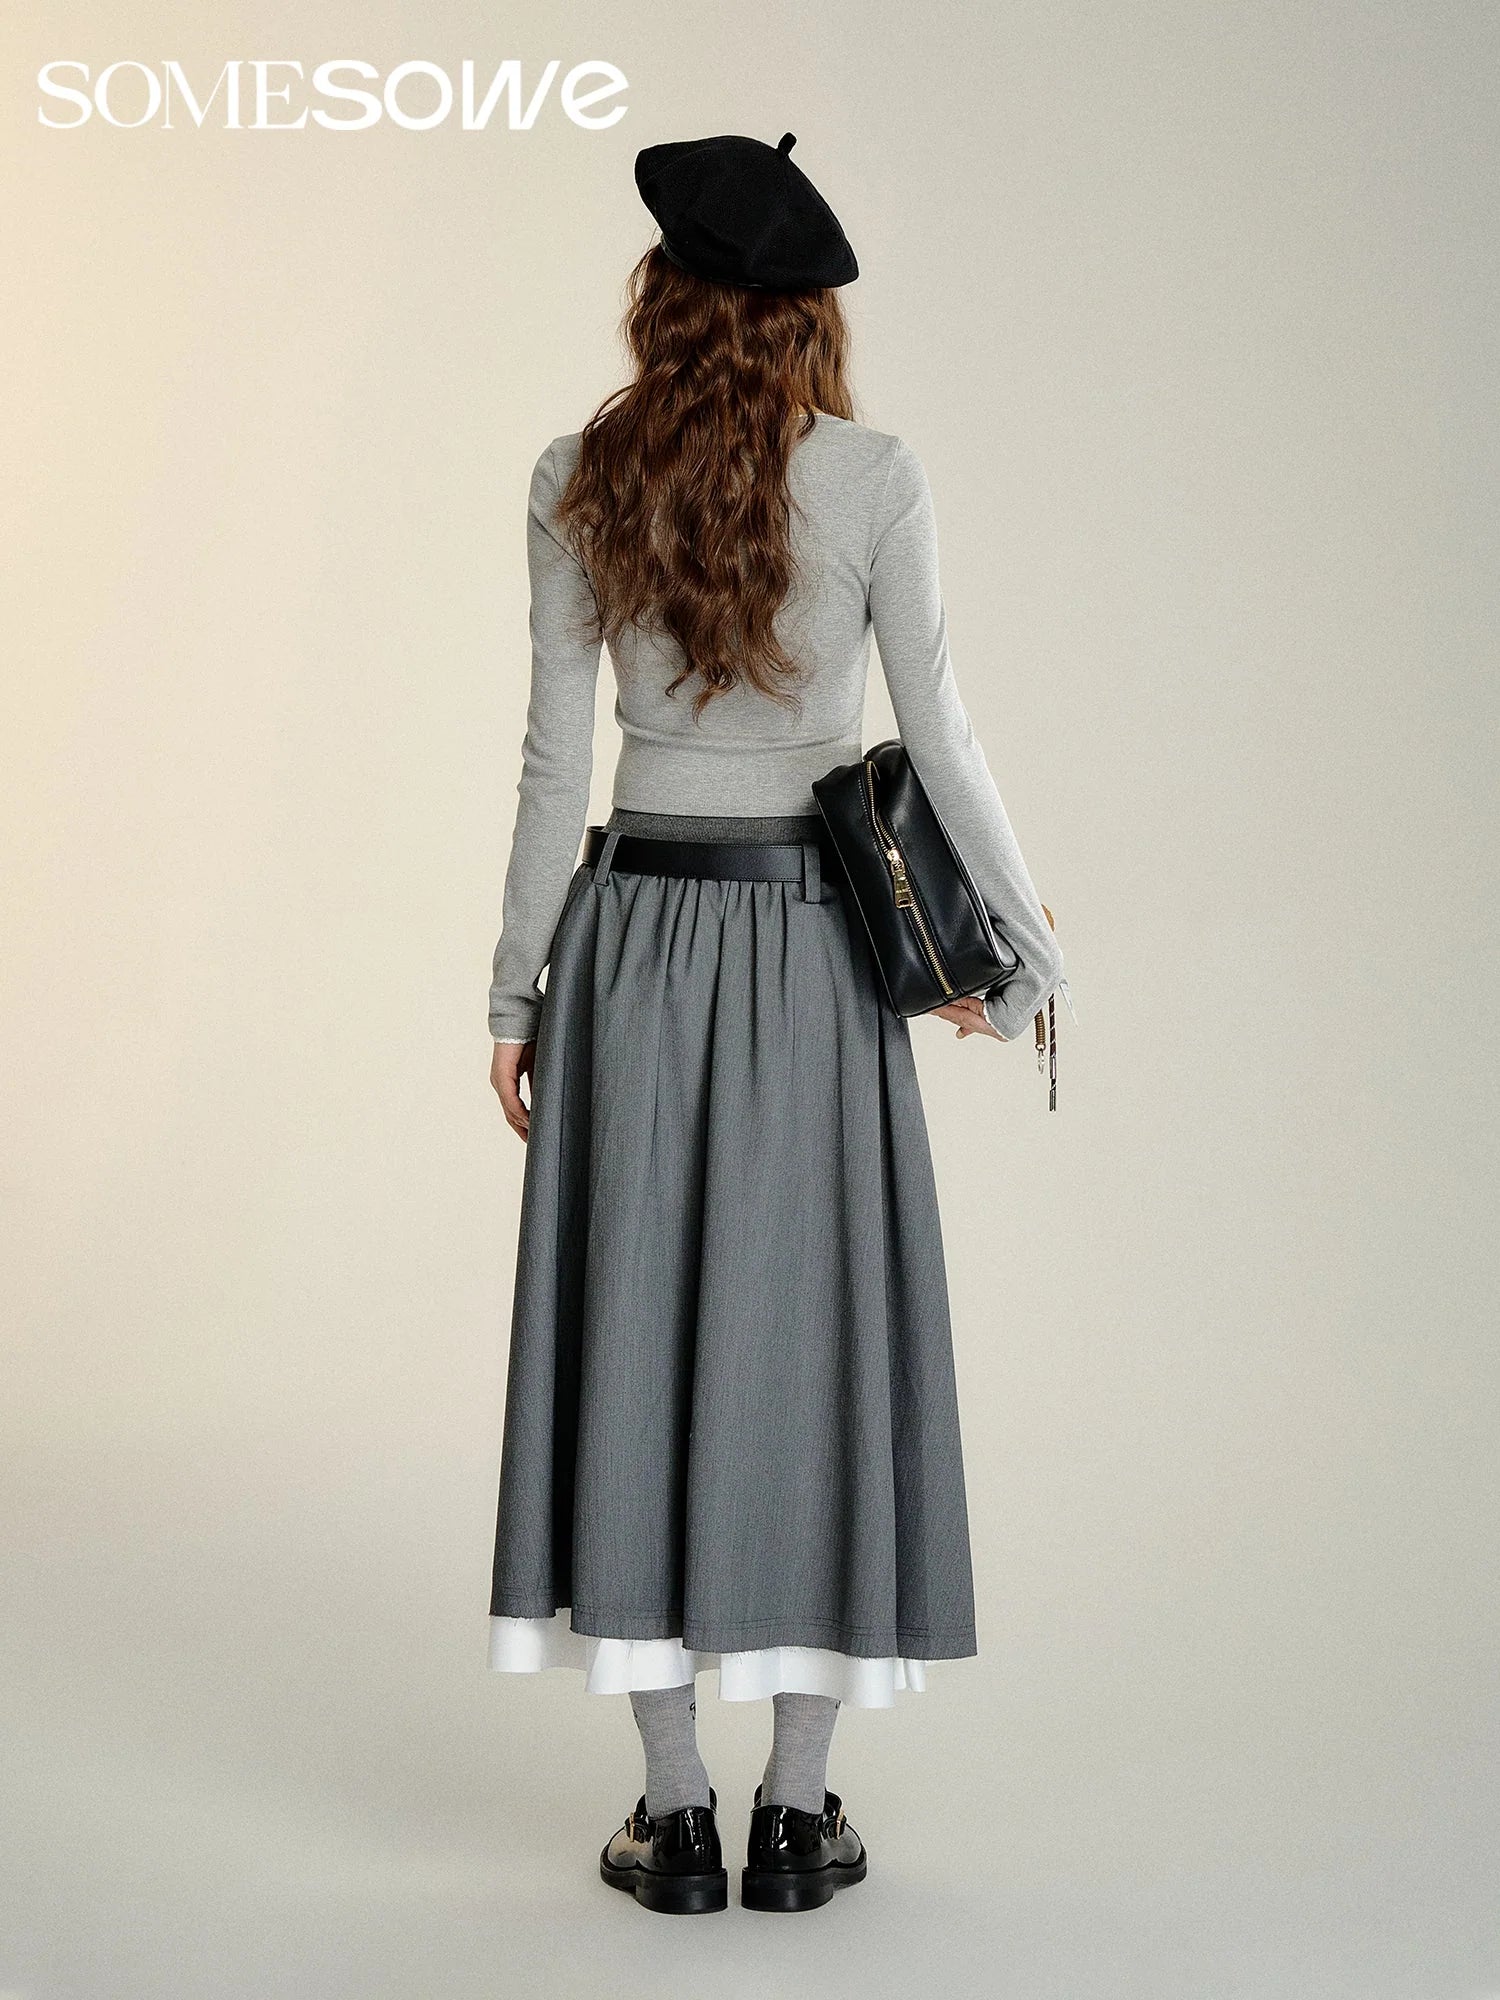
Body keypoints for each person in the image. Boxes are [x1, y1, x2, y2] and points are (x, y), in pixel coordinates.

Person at [484, 130, 1066, 1916]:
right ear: (811, 317)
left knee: (634, 1341)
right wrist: (1026, 951)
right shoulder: (876, 476)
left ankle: (673, 1819)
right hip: (815, 948)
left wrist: (516, 989)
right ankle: (796, 1820)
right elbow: (940, 734)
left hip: (634, 952)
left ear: (661, 300)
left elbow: (558, 762)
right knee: (819, 1351)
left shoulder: (580, 475)